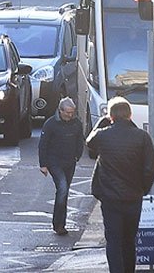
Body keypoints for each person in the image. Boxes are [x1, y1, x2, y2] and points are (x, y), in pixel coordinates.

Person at [86, 96, 154, 273]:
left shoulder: (103, 135)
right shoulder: (142, 137)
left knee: (113, 240)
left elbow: (89, 142)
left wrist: (102, 123)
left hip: (110, 198)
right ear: (130, 115)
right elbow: (151, 168)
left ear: (111, 116)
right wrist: (142, 188)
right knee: (129, 240)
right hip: (133, 197)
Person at [39, 97, 85, 235]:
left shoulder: (76, 123)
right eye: (67, 113)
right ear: (60, 111)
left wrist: (78, 155)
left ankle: (60, 224)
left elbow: (79, 141)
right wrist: (43, 165)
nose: (70, 115)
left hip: (70, 162)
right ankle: (58, 224)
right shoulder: (51, 124)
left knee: (63, 193)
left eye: (72, 113)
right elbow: (43, 144)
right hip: (54, 162)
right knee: (63, 188)